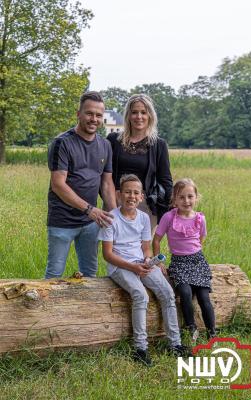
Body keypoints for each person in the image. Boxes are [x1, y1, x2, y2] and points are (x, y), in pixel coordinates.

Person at [98, 174, 190, 366]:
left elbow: (146, 247)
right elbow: (107, 254)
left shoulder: (144, 218)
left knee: (167, 293)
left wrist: (148, 260)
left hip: (141, 263)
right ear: (119, 194)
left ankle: (175, 344)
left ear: (141, 197)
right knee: (141, 295)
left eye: (136, 193)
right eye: (127, 192)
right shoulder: (110, 218)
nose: (131, 196)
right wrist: (133, 267)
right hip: (120, 266)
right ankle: (140, 348)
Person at [45, 91, 116, 279]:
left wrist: (115, 217)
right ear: (78, 114)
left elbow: (107, 183)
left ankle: (83, 310)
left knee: (90, 274)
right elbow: (58, 185)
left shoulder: (105, 145)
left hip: (91, 223)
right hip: (62, 221)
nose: (94, 119)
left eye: (98, 115)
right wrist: (89, 209)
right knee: (54, 275)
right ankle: (49, 309)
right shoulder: (62, 143)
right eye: (89, 113)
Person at [153, 178, 216, 342]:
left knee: (203, 297)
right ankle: (191, 327)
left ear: (196, 197)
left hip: (197, 261)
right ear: (174, 199)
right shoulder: (169, 217)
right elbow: (157, 240)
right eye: (181, 197)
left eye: (190, 196)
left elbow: (200, 239)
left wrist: (194, 253)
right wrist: (158, 262)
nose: (186, 201)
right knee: (185, 293)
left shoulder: (200, 219)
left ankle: (212, 333)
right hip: (179, 263)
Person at [107, 94, 172, 232]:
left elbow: (165, 179)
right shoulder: (113, 140)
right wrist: (111, 204)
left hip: (145, 205)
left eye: (143, 112)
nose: (139, 116)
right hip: (115, 201)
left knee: (143, 251)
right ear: (128, 116)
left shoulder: (159, 145)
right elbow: (104, 176)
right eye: (134, 112)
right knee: (114, 250)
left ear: (150, 116)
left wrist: (169, 211)